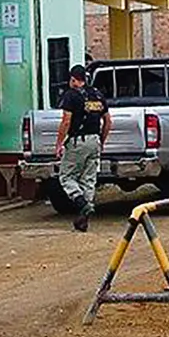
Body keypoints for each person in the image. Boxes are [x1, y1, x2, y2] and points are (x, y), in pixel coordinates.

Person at [55, 65, 112, 232]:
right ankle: (83, 219)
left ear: (73, 79)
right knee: (88, 180)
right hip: (95, 140)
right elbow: (108, 122)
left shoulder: (71, 95)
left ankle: (81, 203)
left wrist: (59, 144)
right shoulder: (98, 95)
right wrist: (101, 140)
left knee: (66, 177)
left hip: (77, 141)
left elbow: (66, 121)